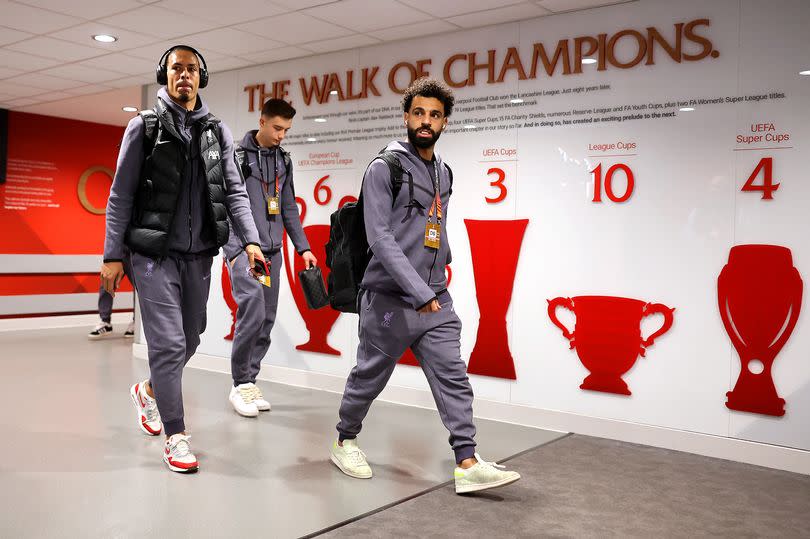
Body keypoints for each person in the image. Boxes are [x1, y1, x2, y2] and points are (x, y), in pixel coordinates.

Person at [329, 78, 521, 494]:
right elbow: (379, 236)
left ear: (445, 122)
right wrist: (421, 292)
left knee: (453, 375)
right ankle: (345, 440)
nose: (425, 121)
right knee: (369, 377)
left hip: (435, 298)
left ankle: (467, 461)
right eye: (418, 113)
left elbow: (434, 223)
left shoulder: (443, 171)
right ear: (406, 117)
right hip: (388, 299)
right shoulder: (384, 168)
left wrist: (443, 261)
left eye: (434, 115)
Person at [101, 45, 263, 473]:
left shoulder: (217, 132)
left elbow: (234, 191)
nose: (184, 76)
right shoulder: (144, 127)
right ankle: (176, 435)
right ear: (164, 75)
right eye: (177, 69)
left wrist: (251, 242)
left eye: (192, 69)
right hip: (151, 254)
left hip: (198, 255)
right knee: (170, 343)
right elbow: (120, 196)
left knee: (192, 336)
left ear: (201, 77)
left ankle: (150, 391)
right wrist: (112, 254)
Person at [224, 98, 316, 417]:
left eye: (286, 130)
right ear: (261, 121)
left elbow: (288, 207)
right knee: (252, 308)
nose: (281, 135)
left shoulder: (283, 161)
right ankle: (239, 384)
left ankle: (249, 380)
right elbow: (226, 207)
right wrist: (236, 250)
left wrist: (303, 247)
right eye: (277, 128)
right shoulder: (236, 157)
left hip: (272, 254)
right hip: (244, 251)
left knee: (266, 317)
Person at [88, 252, 134, 339]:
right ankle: (105, 322)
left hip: (138, 252)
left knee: (139, 287)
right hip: (118, 252)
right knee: (107, 283)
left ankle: (137, 323)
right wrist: (110, 257)